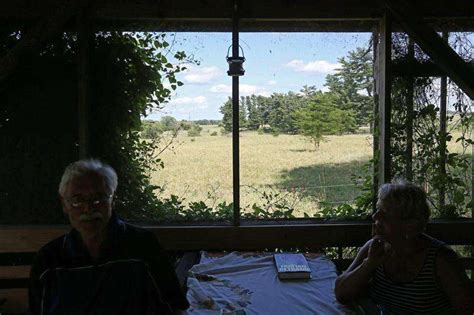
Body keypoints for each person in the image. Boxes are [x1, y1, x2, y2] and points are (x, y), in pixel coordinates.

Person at [29, 159, 189, 314]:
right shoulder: (48, 261)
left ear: (113, 201)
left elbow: (176, 307)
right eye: (77, 200)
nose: (88, 208)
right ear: (64, 204)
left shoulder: (143, 247)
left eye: (98, 198)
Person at [335, 180, 473, 315]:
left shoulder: (440, 260)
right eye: (378, 210)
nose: (375, 216)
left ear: (409, 225)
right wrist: (369, 264)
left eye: (385, 213)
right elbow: (341, 293)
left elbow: (466, 309)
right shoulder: (375, 248)